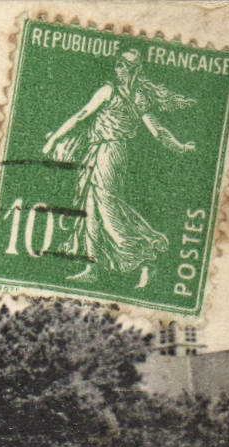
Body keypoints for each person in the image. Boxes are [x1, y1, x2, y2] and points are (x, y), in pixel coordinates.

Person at [42, 49, 197, 286]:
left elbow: (81, 116)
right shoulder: (136, 97)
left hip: (109, 153)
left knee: (106, 207)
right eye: (117, 64)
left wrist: (180, 147)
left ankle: (145, 254)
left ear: (132, 70)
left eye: (122, 65)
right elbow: (157, 131)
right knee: (92, 206)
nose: (117, 69)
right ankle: (92, 265)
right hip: (105, 151)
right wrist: (180, 146)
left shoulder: (114, 93)